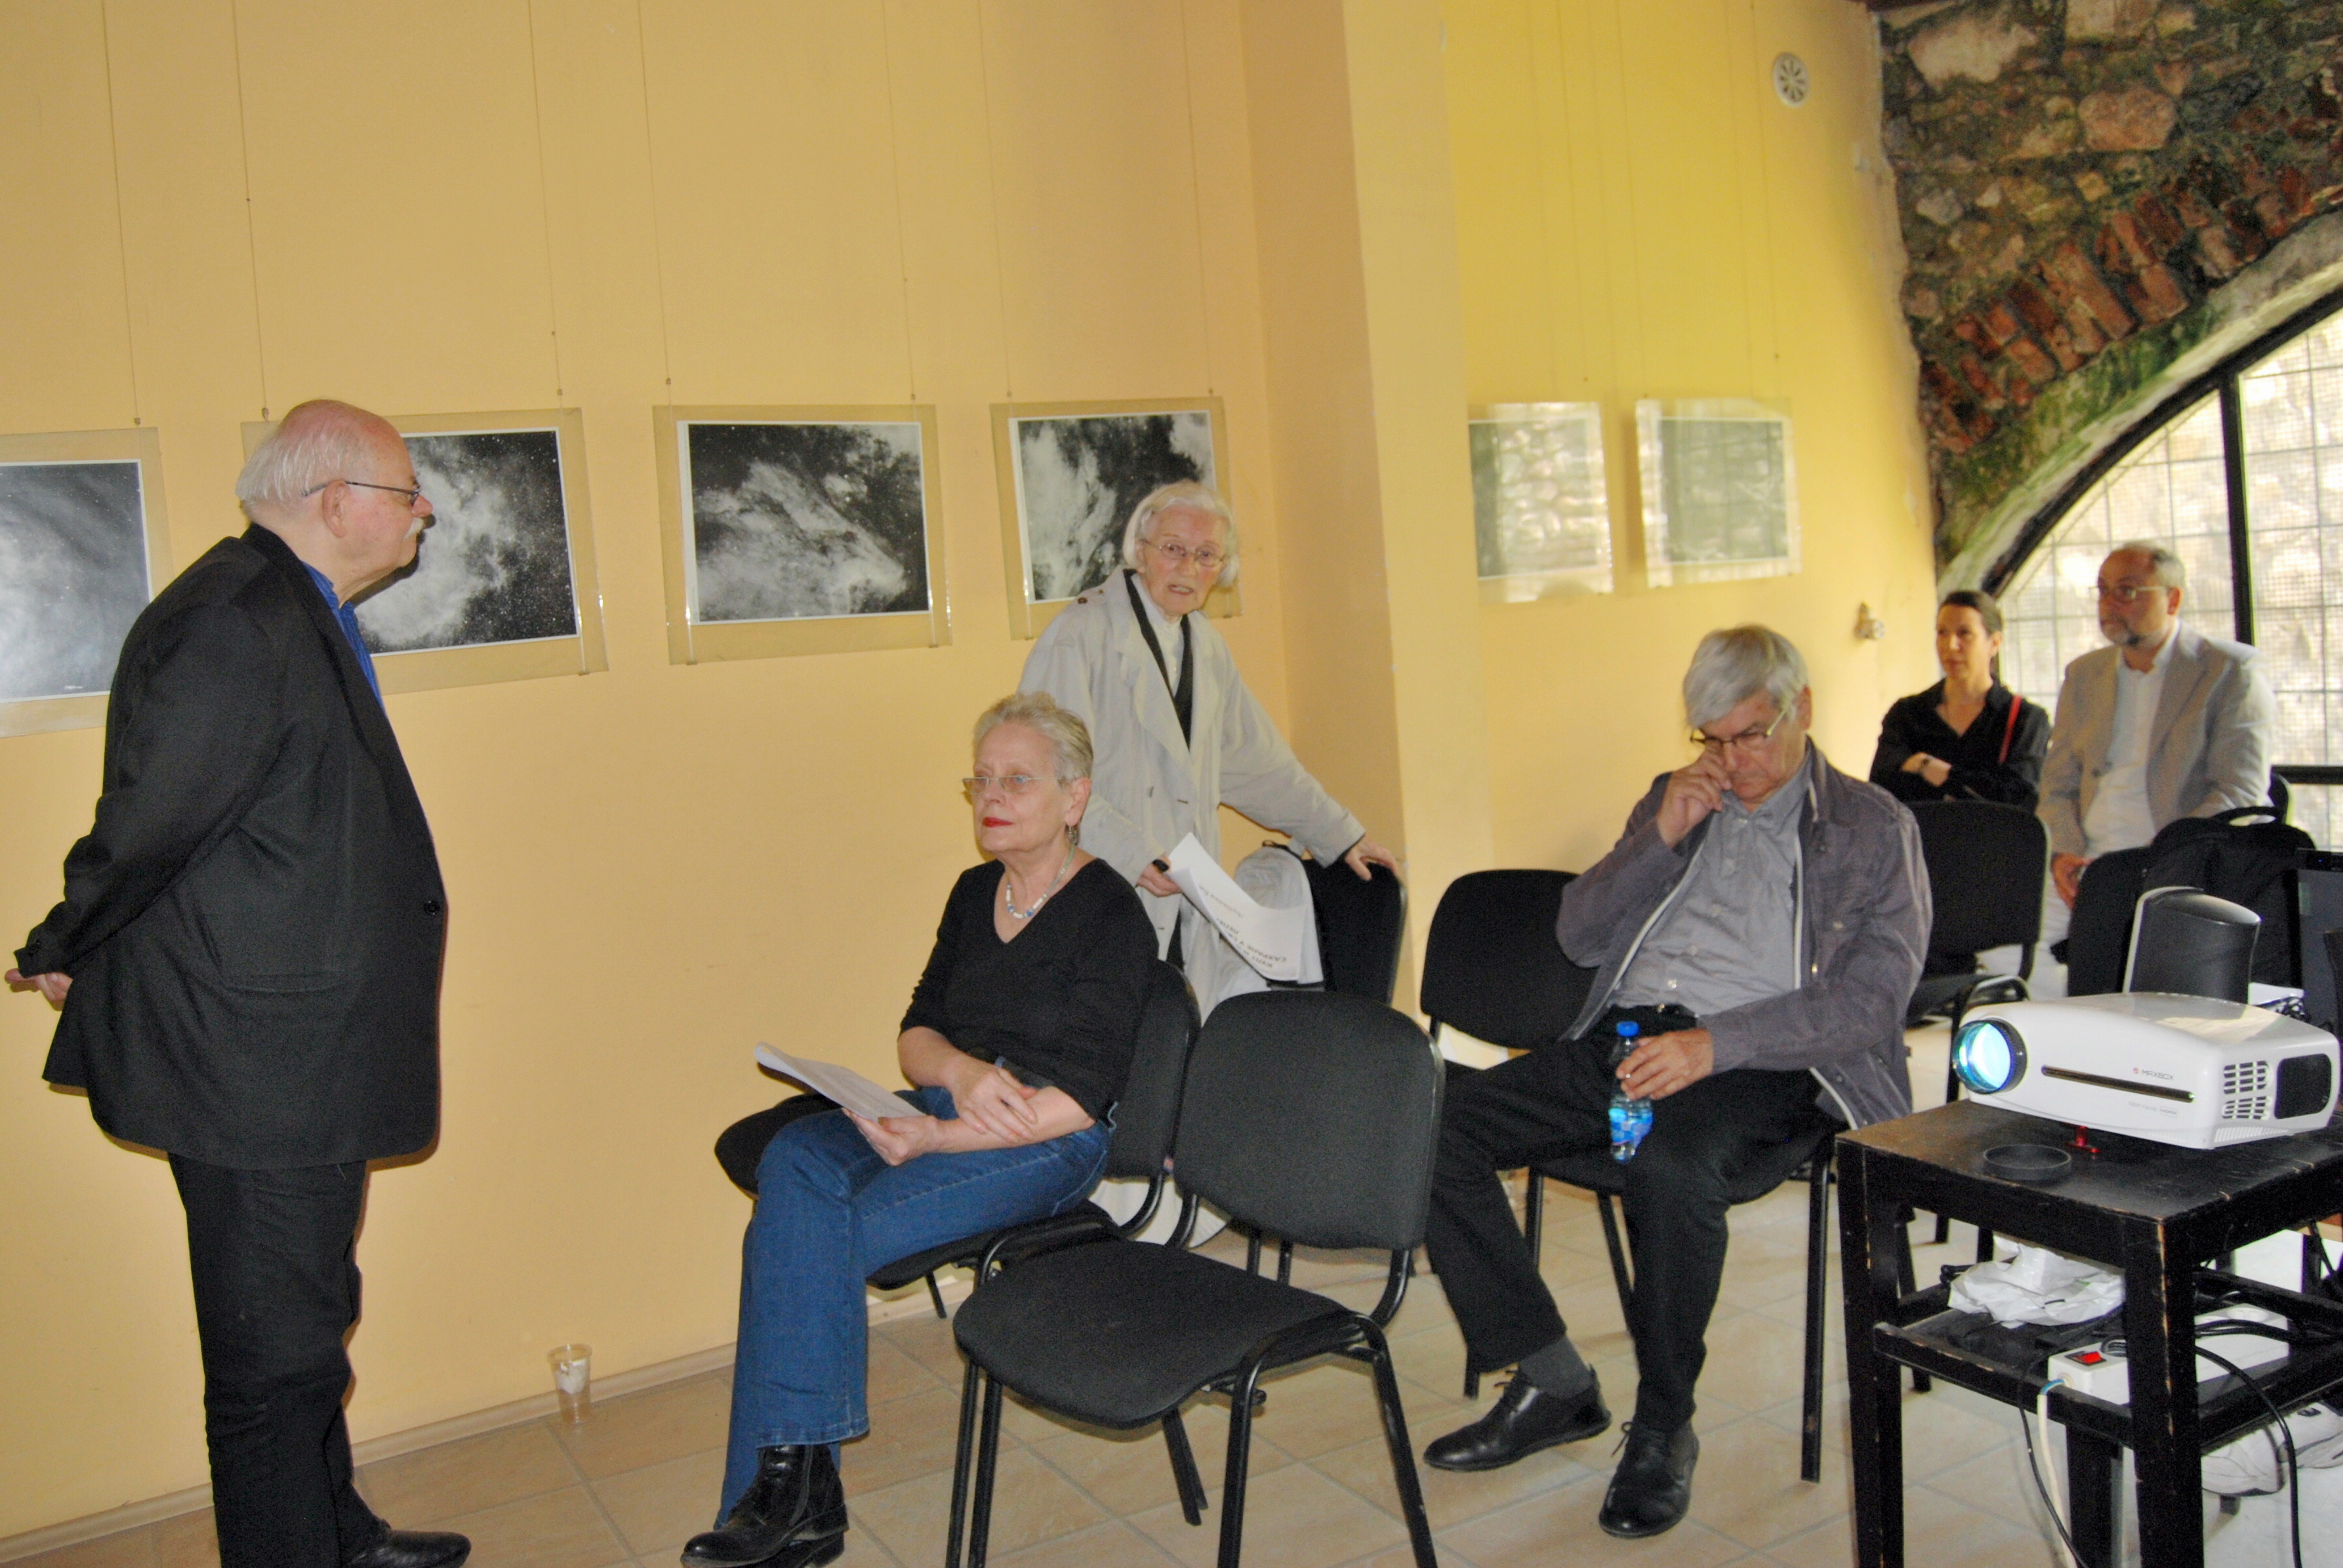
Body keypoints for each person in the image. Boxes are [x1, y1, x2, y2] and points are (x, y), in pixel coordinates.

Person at [6, 401, 466, 1568]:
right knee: (271, 1365)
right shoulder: (236, 620)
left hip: (292, 1054)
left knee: (306, 1325)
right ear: (335, 501)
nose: (422, 512)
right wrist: (67, 938)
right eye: (406, 491)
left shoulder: (283, 606)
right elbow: (153, 820)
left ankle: (337, 1534)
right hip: (256, 1066)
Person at [1418, 626, 1928, 1540]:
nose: (1733, 762)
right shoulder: (1676, 796)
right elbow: (1576, 935)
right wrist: (1657, 837)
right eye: (1712, 740)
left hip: (1769, 1057)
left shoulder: (1870, 826)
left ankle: (1663, 1427)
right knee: (1433, 1125)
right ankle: (1553, 1381)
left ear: (1803, 709)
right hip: (1630, 1037)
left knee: (1665, 1166)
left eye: (1751, 735)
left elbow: (1869, 1002)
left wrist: (1713, 1043)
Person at [688, 692, 1155, 1568]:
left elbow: (1083, 1099)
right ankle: (798, 1496)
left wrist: (941, 1137)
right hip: (949, 1106)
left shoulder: (1110, 912)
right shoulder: (974, 892)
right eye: (981, 778)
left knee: (797, 1235)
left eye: (1016, 779)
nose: (992, 795)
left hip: (1046, 1141)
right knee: (795, 1155)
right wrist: (959, 1074)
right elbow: (916, 1032)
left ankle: (786, 1498)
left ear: (1075, 796)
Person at [1018, 481, 1396, 1011]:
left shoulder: (1205, 645)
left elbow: (1260, 765)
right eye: (1174, 548)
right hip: (1103, 885)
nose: (1188, 568)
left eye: (1206, 555)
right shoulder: (1080, 633)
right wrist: (1132, 852)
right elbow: (1044, 775)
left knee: (1175, 1030)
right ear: (1140, 550)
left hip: (1183, 898)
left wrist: (1339, 832)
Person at [2037, 542, 2274, 953]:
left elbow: (2240, 791)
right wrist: (2064, 854)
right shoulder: (2084, 674)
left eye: (2126, 591)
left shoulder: (2229, 671)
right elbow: (2057, 785)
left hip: (2175, 865)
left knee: (2138, 964)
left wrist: (2161, 857)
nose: (2109, 604)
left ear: (2173, 599)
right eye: (2103, 590)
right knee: (2006, 950)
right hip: (2085, 862)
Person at [1869, 589, 2048, 811]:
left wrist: (1929, 767)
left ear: (1995, 643)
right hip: (1924, 833)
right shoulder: (1907, 714)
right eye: (1942, 633)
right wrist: (1973, 784)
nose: (1950, 645)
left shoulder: (2025, 719)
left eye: (1965, 633)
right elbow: (1881, 793)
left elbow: (2020, 798)